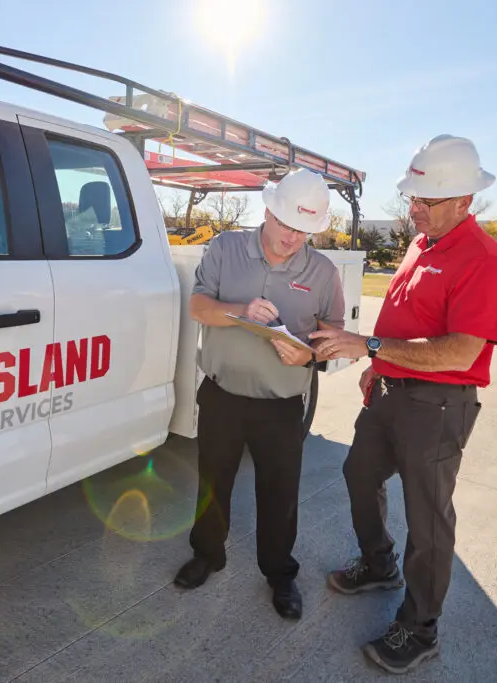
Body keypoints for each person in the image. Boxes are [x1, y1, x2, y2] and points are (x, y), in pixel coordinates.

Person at [309, 134, 497, 674]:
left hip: (439, 406)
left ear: (465, 201)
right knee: (358, 473)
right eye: (412, 199)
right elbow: (410, 322)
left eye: (427, 201)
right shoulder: (420, 244)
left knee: (427, 520)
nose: (414, 209)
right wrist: (380, 365)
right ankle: (379, 565)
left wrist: (368, 346)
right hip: (391, 394)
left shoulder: (486, 261)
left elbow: (460, 349)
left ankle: (420, 628)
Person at [173, 168, 346, 620]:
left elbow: (334, 334)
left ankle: (280, 573)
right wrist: (240, 312)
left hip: (281, 407)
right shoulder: (226, 247)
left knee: (279, 494)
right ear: (267, 210)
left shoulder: (324, 272)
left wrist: (309, 357)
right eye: (286, 224)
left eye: (305, 230)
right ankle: (208, 554)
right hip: (222, 395)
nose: (293, 238)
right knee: (213, 483)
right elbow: (197, 306)